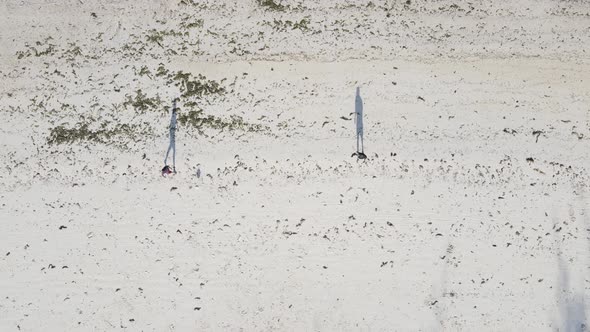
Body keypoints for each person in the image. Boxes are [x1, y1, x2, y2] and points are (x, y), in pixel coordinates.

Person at [164, 100, 178, 174]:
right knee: (171, 152)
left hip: (172, 140)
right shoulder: (172, 127)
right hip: (172, 140)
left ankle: (174, 106)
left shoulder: (172, 127)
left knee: (170, 152)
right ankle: (174, 106)